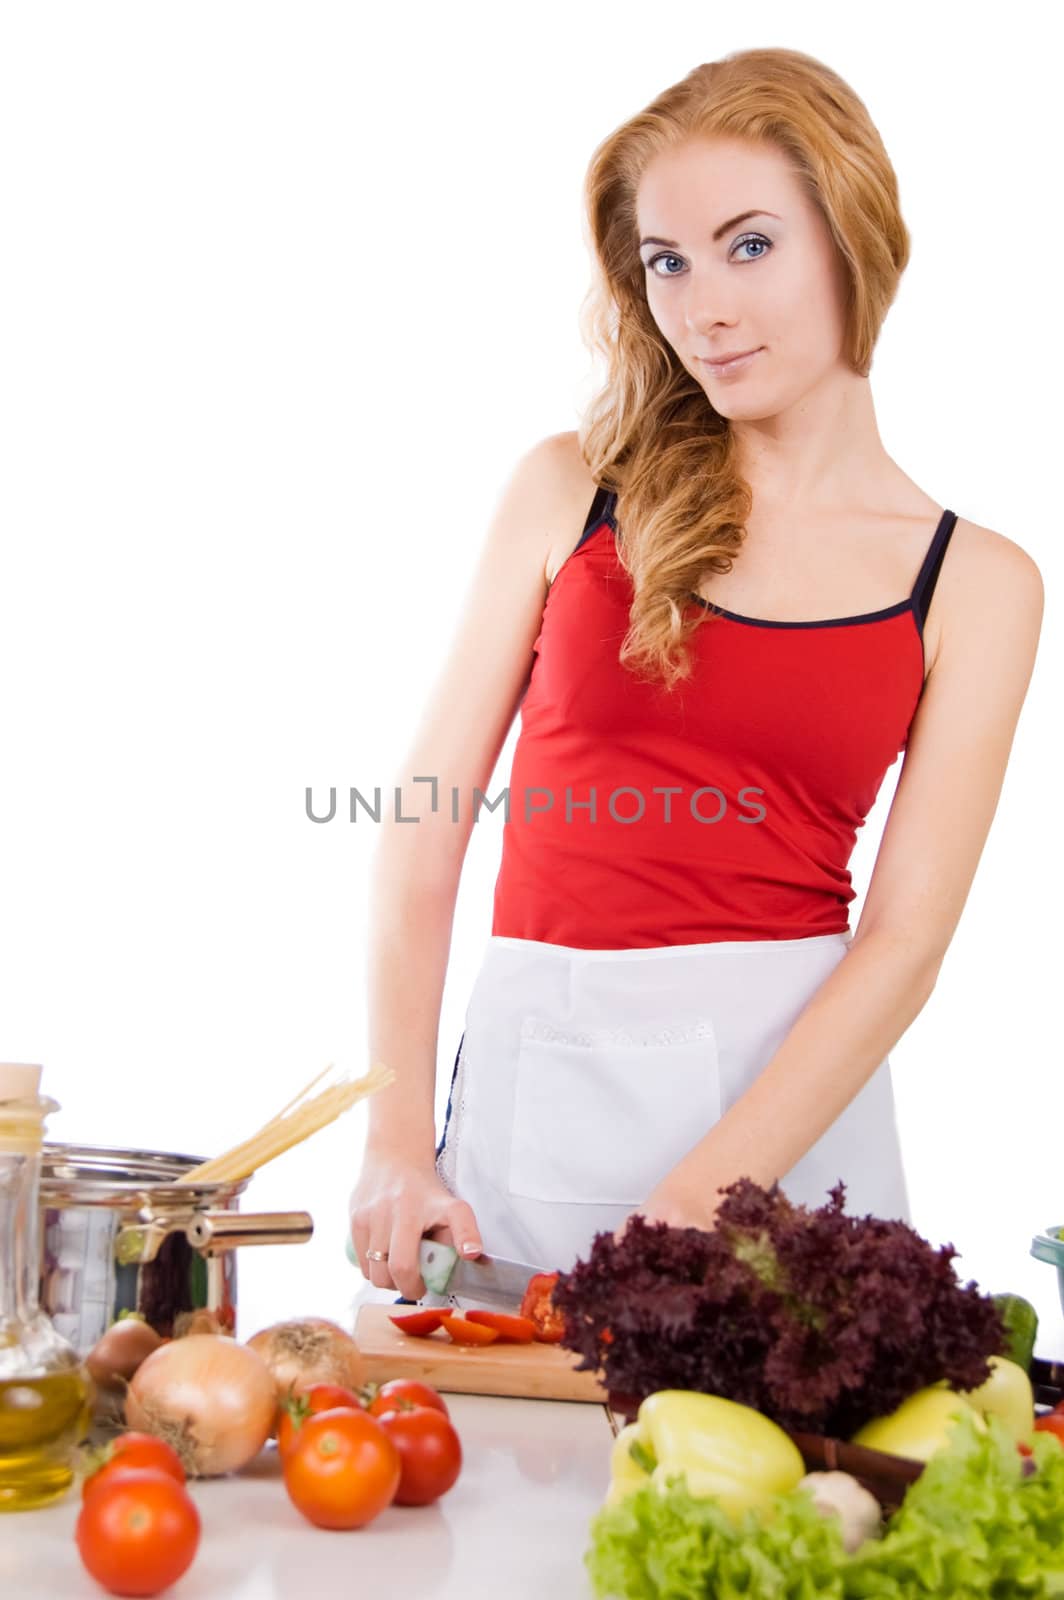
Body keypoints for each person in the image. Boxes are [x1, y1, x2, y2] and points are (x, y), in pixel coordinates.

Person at [347, 46, 1044, 1307]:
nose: (703, 308)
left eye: (748, 245)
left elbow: (902, 941)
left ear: (852, 238)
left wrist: (707, 1189)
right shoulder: (570, 492)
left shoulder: (975, 582)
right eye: (664, 262)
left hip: (787, 1127)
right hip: (531, 1110)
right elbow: (421, 824)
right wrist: (393, 1139)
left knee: (789, 1495)